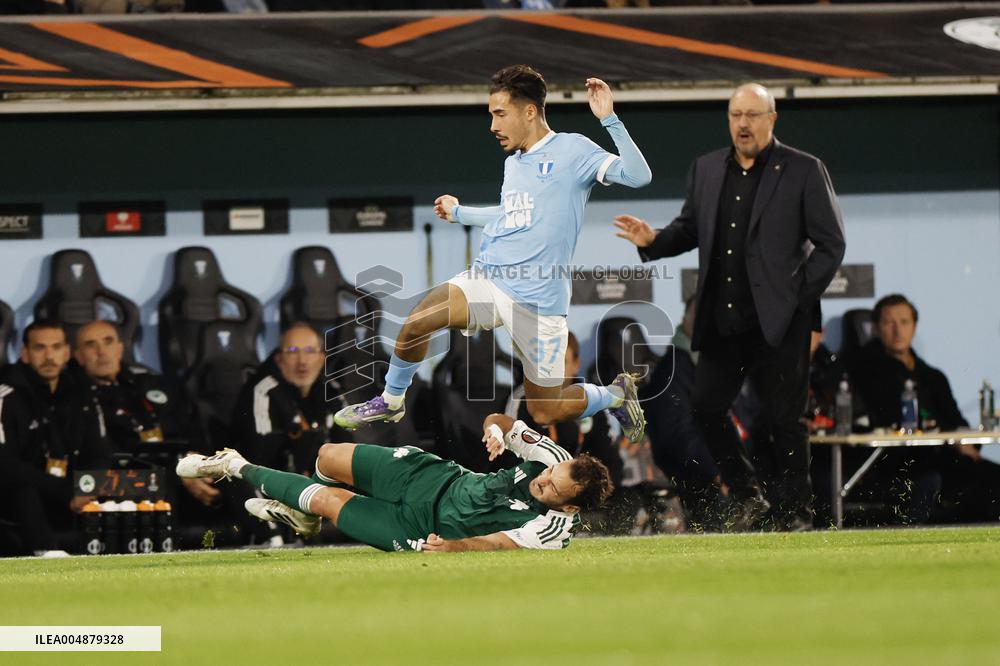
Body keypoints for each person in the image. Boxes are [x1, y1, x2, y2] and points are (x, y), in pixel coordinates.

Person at [335, 64, 652, 444]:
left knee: (544, 410)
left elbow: (638, 175)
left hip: (539, 303)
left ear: (530, 111)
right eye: (491, 115)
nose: (492, 126)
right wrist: (460, 213)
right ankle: (391, 399)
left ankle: (615, 394)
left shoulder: (573, 150)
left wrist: (610, 120)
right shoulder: (513, 163)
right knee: (418, 319)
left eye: (500, 114)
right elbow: (510, 216)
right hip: (490, 279)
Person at [614, 82, 845, 530]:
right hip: (723, 318)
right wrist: (653, 241)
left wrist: (797, 299)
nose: (743, 123)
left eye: (753, 115)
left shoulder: (803, 170)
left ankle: (797, 510)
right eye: (736, 115)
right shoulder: (706, 169)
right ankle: (747, 493)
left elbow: (831, 244)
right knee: (704, 406)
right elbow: (689, 228)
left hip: (780, 320)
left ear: (771, 119)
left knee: (785, 419)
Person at [177, 413, 614, 552]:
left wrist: (452, 548)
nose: (543, 482)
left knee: (329, 501)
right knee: (328, 455)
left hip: (420, 528)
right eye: (549, 474)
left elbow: (499, 544)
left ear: (571, 507)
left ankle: (232, 465)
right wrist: (496, 430)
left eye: (553, 489)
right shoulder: (554, 458)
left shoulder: (553, 531)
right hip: (432, 477)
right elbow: (502, 419)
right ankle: (300, 515)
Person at [847, 294, 1000, 523]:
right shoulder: (866, 374)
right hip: (901, 461)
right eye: (889, 322)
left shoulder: (933, 376)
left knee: (991, 475)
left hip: (947, 457)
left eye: (904, 322)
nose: (898, 330)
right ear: (877, 329)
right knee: (932, 480)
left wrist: (966, 442)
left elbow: (958, 423)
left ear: (914, 327)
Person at [220, 323, 355, 542]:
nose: (302, 361)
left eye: (310, 351)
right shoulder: (263, 391)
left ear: (321, 358)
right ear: (279, 359)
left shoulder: (331, 391)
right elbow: (257, 462)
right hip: (261, 485)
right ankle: (272, 540)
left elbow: (347, 449)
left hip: (310, 486)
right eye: (292, 352)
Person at [0, 321, 111, 555]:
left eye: (56, 347)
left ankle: (138, 551)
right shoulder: (5, 394)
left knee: (131, 480)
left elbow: (99, 453)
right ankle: (47, 552)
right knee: (23, 487)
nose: (49, 356)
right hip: (18, 499)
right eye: (40, 348)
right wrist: (65, 491)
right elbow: (6, 465)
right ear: (25, 354)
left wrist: (83, 489)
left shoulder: (82, 392)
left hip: (70, 493)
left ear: (67, 352)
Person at [73, 320, 197, 456]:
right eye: (91, 345)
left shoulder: (155, 383)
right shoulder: (75, 399)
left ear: (120, 349)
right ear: (79, 357)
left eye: (108, 342)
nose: (101, 352)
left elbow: (193, 431)